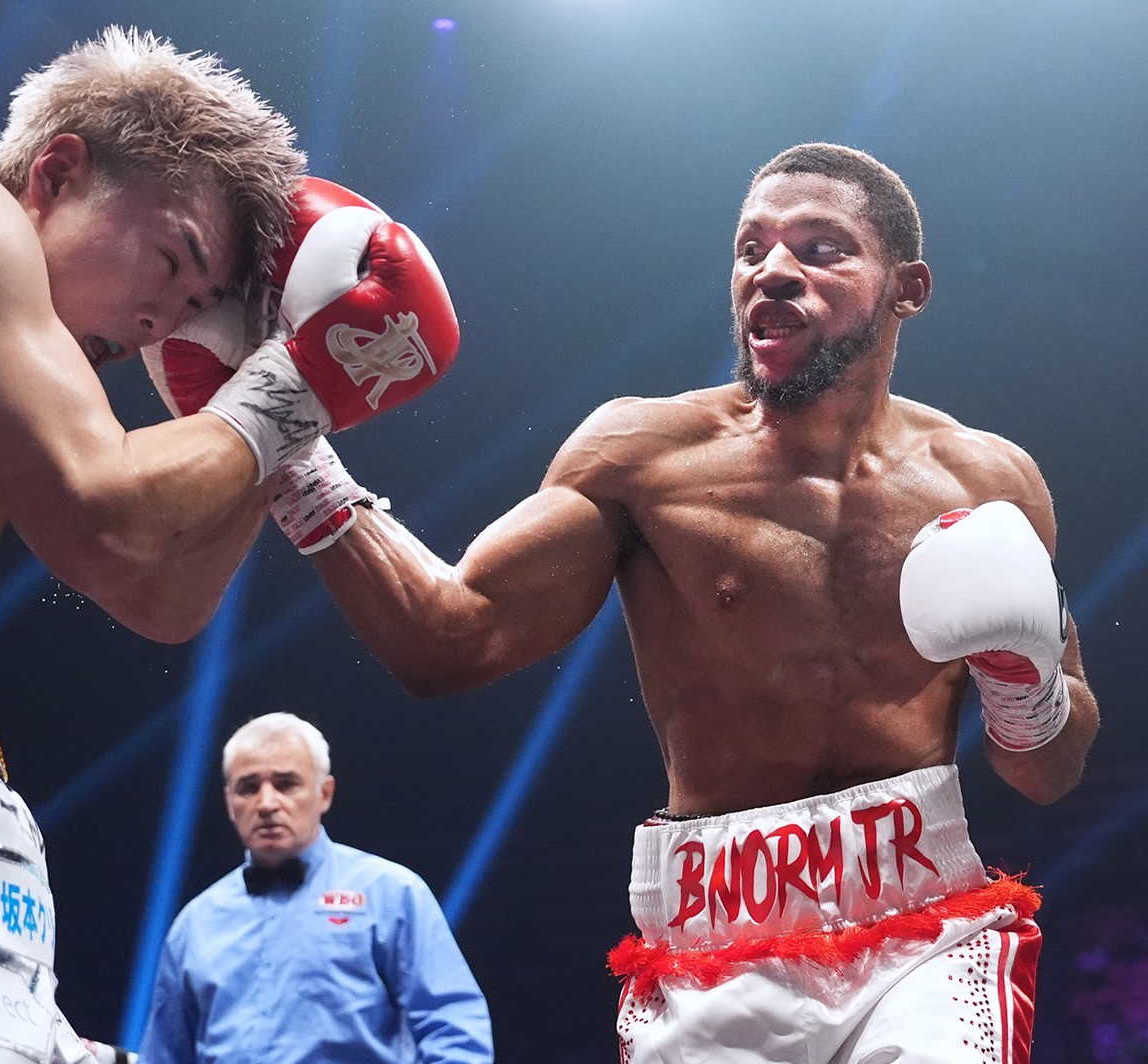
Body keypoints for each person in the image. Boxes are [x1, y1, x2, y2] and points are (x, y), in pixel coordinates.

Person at [178, 143, 1097, 1063]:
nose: (772, 270)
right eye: (751, 248)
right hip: (713, 945)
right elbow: (447, 643)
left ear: (908, 286)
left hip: (924, 937)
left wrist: (1022, 682)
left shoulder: (986, 482)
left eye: (821, 248)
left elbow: (1046, 772)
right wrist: (288, 446)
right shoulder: (643, 459)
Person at [0, 26, 456, 1064]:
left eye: (190, 309)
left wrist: (279, 411)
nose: (153, 326)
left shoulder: (24, 374)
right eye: (170, 261)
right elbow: (111, 509)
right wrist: (299, 375)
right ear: (59, 171)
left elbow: (159, 597)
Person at [137, 712, 493, 1064]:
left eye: (286, 783)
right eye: (249, 787)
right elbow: (164, 1057)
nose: (266, 803)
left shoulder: (390, 893)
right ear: (230, 802)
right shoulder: (195, 924)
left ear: (324, 793)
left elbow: (456, 1032)